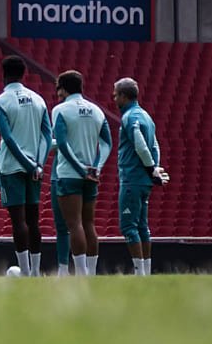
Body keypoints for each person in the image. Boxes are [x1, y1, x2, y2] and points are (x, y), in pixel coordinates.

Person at [0, 55, 52, 276]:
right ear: (24, 74)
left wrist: (26, 164)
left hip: (12, 167)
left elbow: (7, 137)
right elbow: (47, 133)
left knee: (18, 221)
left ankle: (25, 272)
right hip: (35, 168)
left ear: (3, 74)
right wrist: (38, 164)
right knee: (33, 220)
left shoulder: (0, 101)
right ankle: (35, 271)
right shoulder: (38, 99)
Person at [50, 71, 112, 276]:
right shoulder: (97, 111)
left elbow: (62, 143)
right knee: (89, 223)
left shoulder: (60, 110)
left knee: (73, 224)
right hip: (91, 175)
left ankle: (81, 273)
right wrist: (97, 167)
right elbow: (107, 143)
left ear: (64, 89)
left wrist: (79, 169)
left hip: (70, 174)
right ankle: (92, 273)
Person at [114, 77, 170, 276]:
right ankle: (146, 272)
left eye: (116, 94)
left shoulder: (130, 118)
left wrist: (150, 168)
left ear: (123, 96)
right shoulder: (146, 115)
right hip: (144, 181)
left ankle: (139, 273)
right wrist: (153, 168)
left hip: (133, 178)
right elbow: (155, 145)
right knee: (142, 226)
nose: (114, 98)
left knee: (129, 226)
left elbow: (140, 144)